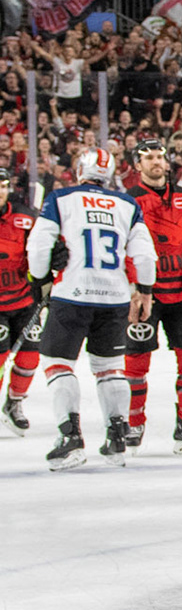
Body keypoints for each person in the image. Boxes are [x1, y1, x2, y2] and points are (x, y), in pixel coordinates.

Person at [26, 147, 157, 469]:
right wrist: (145, 291)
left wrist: (40, 280)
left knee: (58, 364)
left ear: (79, 170)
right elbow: (144, 256)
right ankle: (117, 438)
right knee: (109, 367)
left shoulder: (61, 198)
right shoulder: (127, 204)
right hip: (114, 296)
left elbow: (38, 247)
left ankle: (70, 438)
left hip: (72, 293)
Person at [122, 137, 182, 455]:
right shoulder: (129, 201)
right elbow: (124, 249)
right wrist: (133, 287)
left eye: (159, 157)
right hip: (144, 292)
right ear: (137, 165)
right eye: (148, 157)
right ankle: (134, 423)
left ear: (167, 162)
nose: (155, 162)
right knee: (136, 359)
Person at [0, 164, 45, 434]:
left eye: (3, 186)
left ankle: (14, 402)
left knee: (30, 357)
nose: (0, 191)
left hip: (24, 301)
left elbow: (42, 248)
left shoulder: (25, 217)